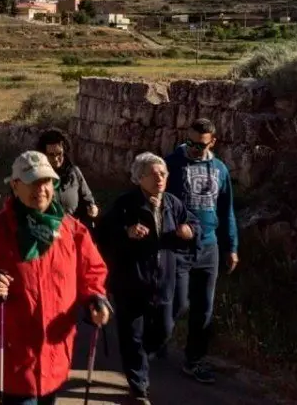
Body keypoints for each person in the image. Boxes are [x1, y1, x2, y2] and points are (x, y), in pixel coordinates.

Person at [0, 150, 111, 403]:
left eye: (46, 181)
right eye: (33, 182)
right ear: (15, 186)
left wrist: (95, 299)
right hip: (13, 355)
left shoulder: (71, 229)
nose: (41, 189)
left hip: (55, 351)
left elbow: (92, 271)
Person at [99, 153, 200, 405]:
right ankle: (139, 386)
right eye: (153, 174)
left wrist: (190, 230)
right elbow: (103, 234)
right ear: (139, 177)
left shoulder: (173, 203)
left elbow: (193, 223)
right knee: (132, 335)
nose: (160, 178)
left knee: (165, 328)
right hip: (130, 282)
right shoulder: (125, 204)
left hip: (164, 280)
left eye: (163, 174)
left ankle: (142, 356)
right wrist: (126, 232)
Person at [164, 118, 239, 384]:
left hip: (209, 246)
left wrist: (231, 247)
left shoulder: (219, 169)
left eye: (201, 145)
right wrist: (172, 228)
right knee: (177, 302)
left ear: (213, 142)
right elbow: (158, 202)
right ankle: (156, 341)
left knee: (204, 308)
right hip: (178, 246)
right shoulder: (171, 164)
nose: (195, 149)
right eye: (191, 143)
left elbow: (226, 210)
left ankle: (194, 360)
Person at [35, 128, 99, 223]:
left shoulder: (74, 173)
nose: (56, 159)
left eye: (59, 154)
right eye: (51, 155)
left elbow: (88, 199)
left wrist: (92, 208)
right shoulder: (36, 177)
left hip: (73, 230)